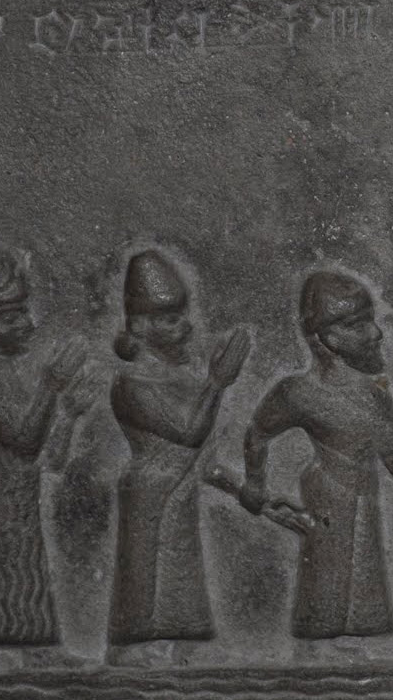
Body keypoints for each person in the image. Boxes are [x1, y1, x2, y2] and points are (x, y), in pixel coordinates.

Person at [238, 271, 393, 640]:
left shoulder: (375, 398)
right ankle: (319, 645)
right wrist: (254, 483)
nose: (376, 333)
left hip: (363, 498)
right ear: (329, 337)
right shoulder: (297, 392)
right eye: (359, 324)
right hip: (326, 496)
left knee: (363, 593)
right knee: (326, 585)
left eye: (371, 320)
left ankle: (356, 650)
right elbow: (257, 434)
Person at [0, 233, 96, 647]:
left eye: (23, 313)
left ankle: (29, 654)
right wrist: (51, 384)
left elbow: (48, 460)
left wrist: (68, 414)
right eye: (12, 317)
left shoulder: (6, 375)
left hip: (16, 491)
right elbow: (26, 441)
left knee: (23, 582)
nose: (29, 324)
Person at [108, 249, 251, 655]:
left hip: (180, 490)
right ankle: (138, 656)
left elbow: (201, 460)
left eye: (182, 316)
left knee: (180, 590)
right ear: (140, 326)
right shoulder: (132, 384)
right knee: (149, 590)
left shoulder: (183, 381)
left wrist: (244, 491)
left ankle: (179, 659)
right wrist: (218, 383)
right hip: (151, 494)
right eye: (172, 319)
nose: (186, 327)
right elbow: (188, 432)